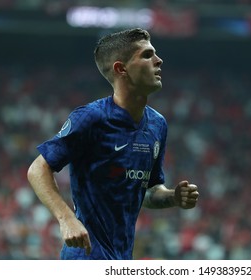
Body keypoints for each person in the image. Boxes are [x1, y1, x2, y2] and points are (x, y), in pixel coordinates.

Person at [27, 28, 199, 260]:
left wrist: (173, 197)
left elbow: (147, 192)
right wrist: (66, 219)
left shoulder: (157, 124)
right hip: (85, 258)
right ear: (121, 69)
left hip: (121, 259)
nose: (159, 61)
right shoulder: (91, 118)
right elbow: (38, 169)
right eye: (147, 55)